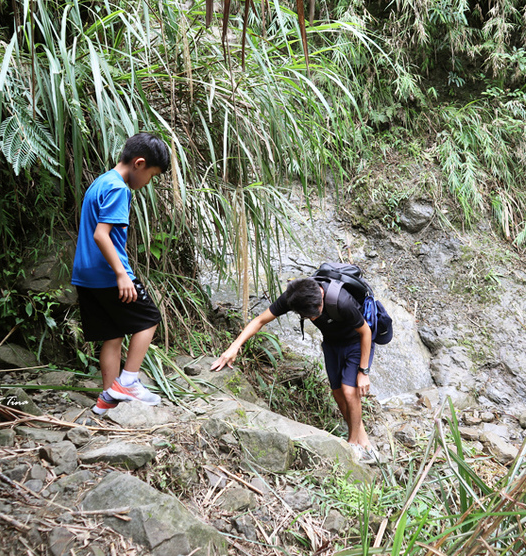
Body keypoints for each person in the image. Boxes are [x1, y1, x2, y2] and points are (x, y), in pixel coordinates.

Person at [210, 276, 379, 462]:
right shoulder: (293, 297)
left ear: (321, 297)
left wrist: (364, 372)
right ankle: (364, 442)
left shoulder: (341, 301)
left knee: (349, 391)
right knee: (338, 393)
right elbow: (259, 320)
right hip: (333, 343)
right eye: (308, 316)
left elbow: (366, 332)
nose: (314, 318)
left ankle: (353, 444)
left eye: (316, 313)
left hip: (356, 341)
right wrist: (234, 346)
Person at [71, 132, 171, 416]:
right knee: (149, 318)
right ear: (139, 163)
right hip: (107, 274)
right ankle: (128, 381)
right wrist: (121, 275)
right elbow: (102, 235)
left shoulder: (101, 181)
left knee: (112, 336)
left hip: (86, 275)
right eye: (151, 175)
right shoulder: (119, 189)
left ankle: (108, 401)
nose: (148, 182)